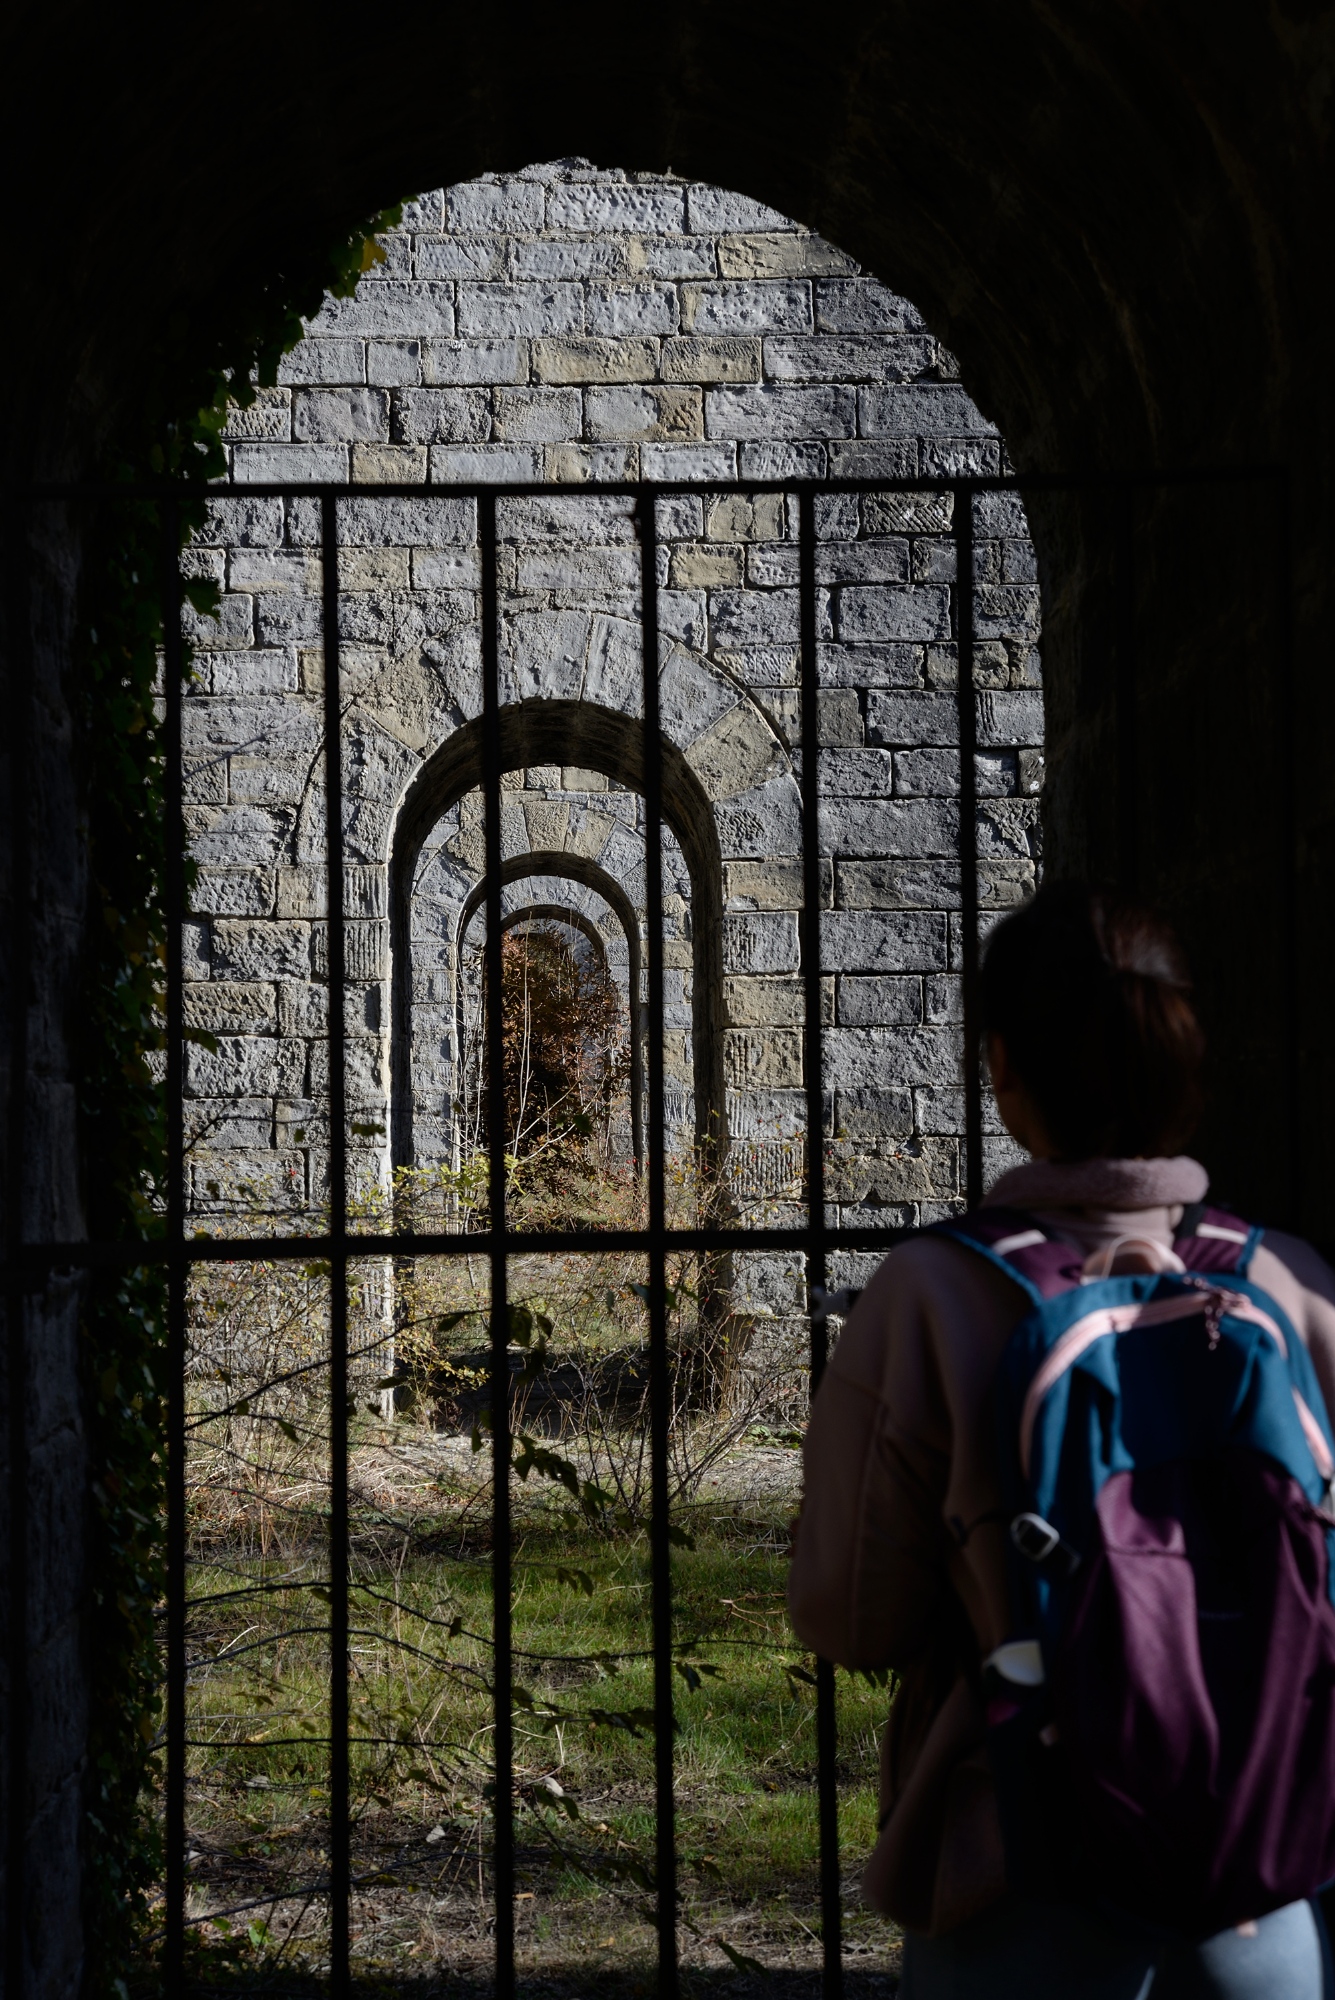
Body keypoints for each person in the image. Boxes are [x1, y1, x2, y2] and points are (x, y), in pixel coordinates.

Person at [788, 882, 1335, 1998]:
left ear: (1003, 1068)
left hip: (1025, 1860)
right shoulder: (1290, 1281)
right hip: (1266, 1889)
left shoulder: (932, 1293)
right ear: (1190, 1063)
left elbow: (850, 1614)